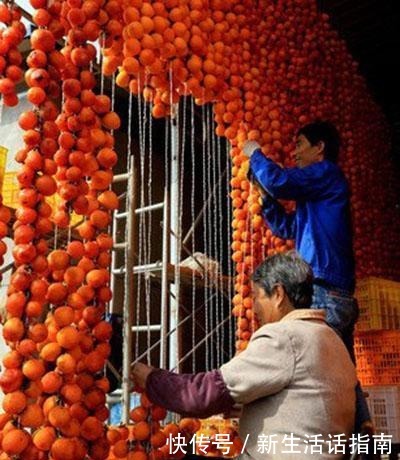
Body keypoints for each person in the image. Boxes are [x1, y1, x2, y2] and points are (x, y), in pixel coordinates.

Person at [132, 252, 357, 460]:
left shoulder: (284, 336)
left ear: (278, 294)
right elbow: (308, 396)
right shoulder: (330, 336)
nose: (255, 307)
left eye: (257, 296)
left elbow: (202, 395)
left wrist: (152, 379)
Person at [243, 121, 371, 434]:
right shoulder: (316, 193)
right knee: (341, 372)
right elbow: (287, 229)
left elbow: (281, 181)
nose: (295, 152)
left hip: (326, 291)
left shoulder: (327, 173)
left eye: (300, 144)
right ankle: (360, 432)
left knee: (318, 371)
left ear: (319, 148)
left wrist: (255, 153)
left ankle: (327, 437)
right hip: (332, 292)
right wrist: (265, 198)